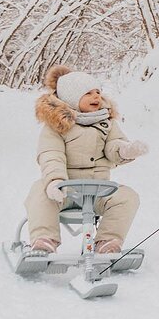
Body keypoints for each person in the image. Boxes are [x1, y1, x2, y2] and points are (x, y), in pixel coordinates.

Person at [24, 64, 149, 255]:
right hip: (65, 190)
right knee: (39, 192)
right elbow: (51, 154)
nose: (96, 97)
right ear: (72, 97)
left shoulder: (106, 122)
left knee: (127, 196)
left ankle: (107, 242)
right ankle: (44, 240)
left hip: (98, 190)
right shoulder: (56, 125)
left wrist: (126, 150)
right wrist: (55, 181)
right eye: (89, 93)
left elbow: (113, 145)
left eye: (98, 92)